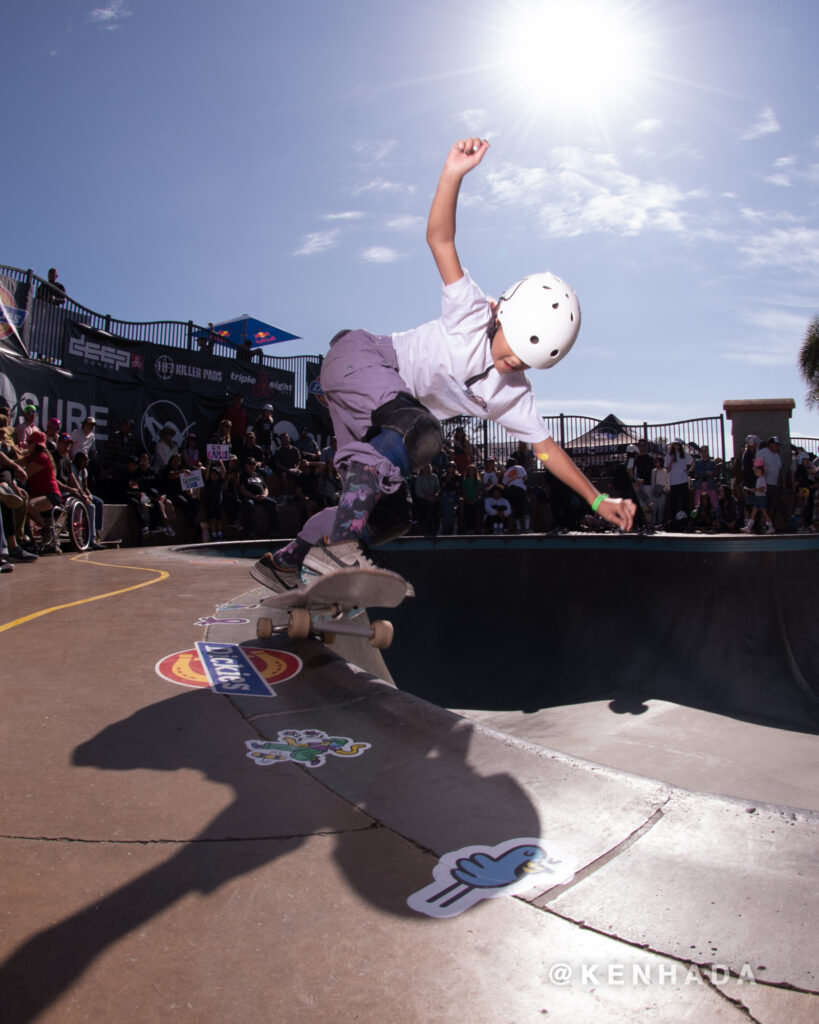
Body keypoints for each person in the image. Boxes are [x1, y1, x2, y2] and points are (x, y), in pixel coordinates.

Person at [253, 137, 633, 590]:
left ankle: (286, 561)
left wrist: (596, 500)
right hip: (359, 359)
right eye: (510, 349)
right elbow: (440, 239)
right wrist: (453, 173)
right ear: (502, 315)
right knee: (420, 428)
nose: (510, 363)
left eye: (523, 363)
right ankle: (338, 552)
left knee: (394, 516)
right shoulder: (471, 311)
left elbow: (548, 451)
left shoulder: (514, 396)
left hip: (373, 418)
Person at [238, 457, 278, 538]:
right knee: (249, 505)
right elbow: (242, 489)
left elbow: (265, 488)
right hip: (250, 496)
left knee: (273, 503)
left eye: (254, 464)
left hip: (261, 496)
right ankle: (250, 531)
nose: (253, 466)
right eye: (250, 465)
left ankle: (274, 530)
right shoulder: (243, 475)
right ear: (246, 465)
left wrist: (264, 495)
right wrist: (254, 496)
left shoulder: (258, 475)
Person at [756, 436, 783, 531]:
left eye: (777, 445)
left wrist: (780, 484)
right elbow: (756, 467)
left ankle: (769, 526)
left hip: (774, 485)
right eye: (775, 445)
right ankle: (762, 526)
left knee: (772, 506)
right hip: (765, 485)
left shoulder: (777, 456)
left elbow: (779, 471)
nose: (777, 447)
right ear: (770, 444)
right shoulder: (762, 453)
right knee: (764, 507)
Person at [742, 458, 774, 534]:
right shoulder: (759, 479)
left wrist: (754, 490)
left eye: (755, 470)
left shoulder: (762, 479)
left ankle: (771, 527)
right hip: (758, 498)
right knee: (753, 512)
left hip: (761, 498)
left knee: (764, 513)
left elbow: (762, 489)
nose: (754, 472)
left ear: (760, 470)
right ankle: (748, 527)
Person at [664, 439, 693, 521]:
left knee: (685, 502)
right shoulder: (668, 455)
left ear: (680, 446)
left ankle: (686, 520)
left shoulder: (685, 455)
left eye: (678, 444)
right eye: (674, 444)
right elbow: (667, 469)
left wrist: (689, 470)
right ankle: (675, 521)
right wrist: (672, 461)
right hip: (673, 482)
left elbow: (693, 462)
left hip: (683, 481)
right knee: (674, 503)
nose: (676, 446)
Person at [502, 457, 530, 532]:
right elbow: (525, 477)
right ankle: (527, 528)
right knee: (526, 508)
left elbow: (504, 484)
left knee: (516, 509)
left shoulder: (506, 472)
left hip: (511, 490)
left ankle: (518, 528)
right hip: (521, 490)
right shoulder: (519, 467)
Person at [461, 463, 482, 534]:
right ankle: (467, 528)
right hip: (467, 500)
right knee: (467, 514)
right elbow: (464, 491)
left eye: (473, 470)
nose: (471, 472)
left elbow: (478, 492)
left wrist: (474, 500)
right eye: (470, 470)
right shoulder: (465, 480)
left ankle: (473, 528)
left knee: (473, 514)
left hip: (474, 500)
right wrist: (466, 499)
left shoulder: (478, 481)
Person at [650, 455, 669, 527]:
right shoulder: (653, 471)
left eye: (657, 462)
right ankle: (653, 522)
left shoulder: (665, 471)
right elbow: (652, 481)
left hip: (662, 492)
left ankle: (659, 522)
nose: (656, 463)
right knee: (654, 508)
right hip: (655, 492)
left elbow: (667, 482)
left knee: (661, 509)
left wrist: (666, 490)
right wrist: (653, 490)